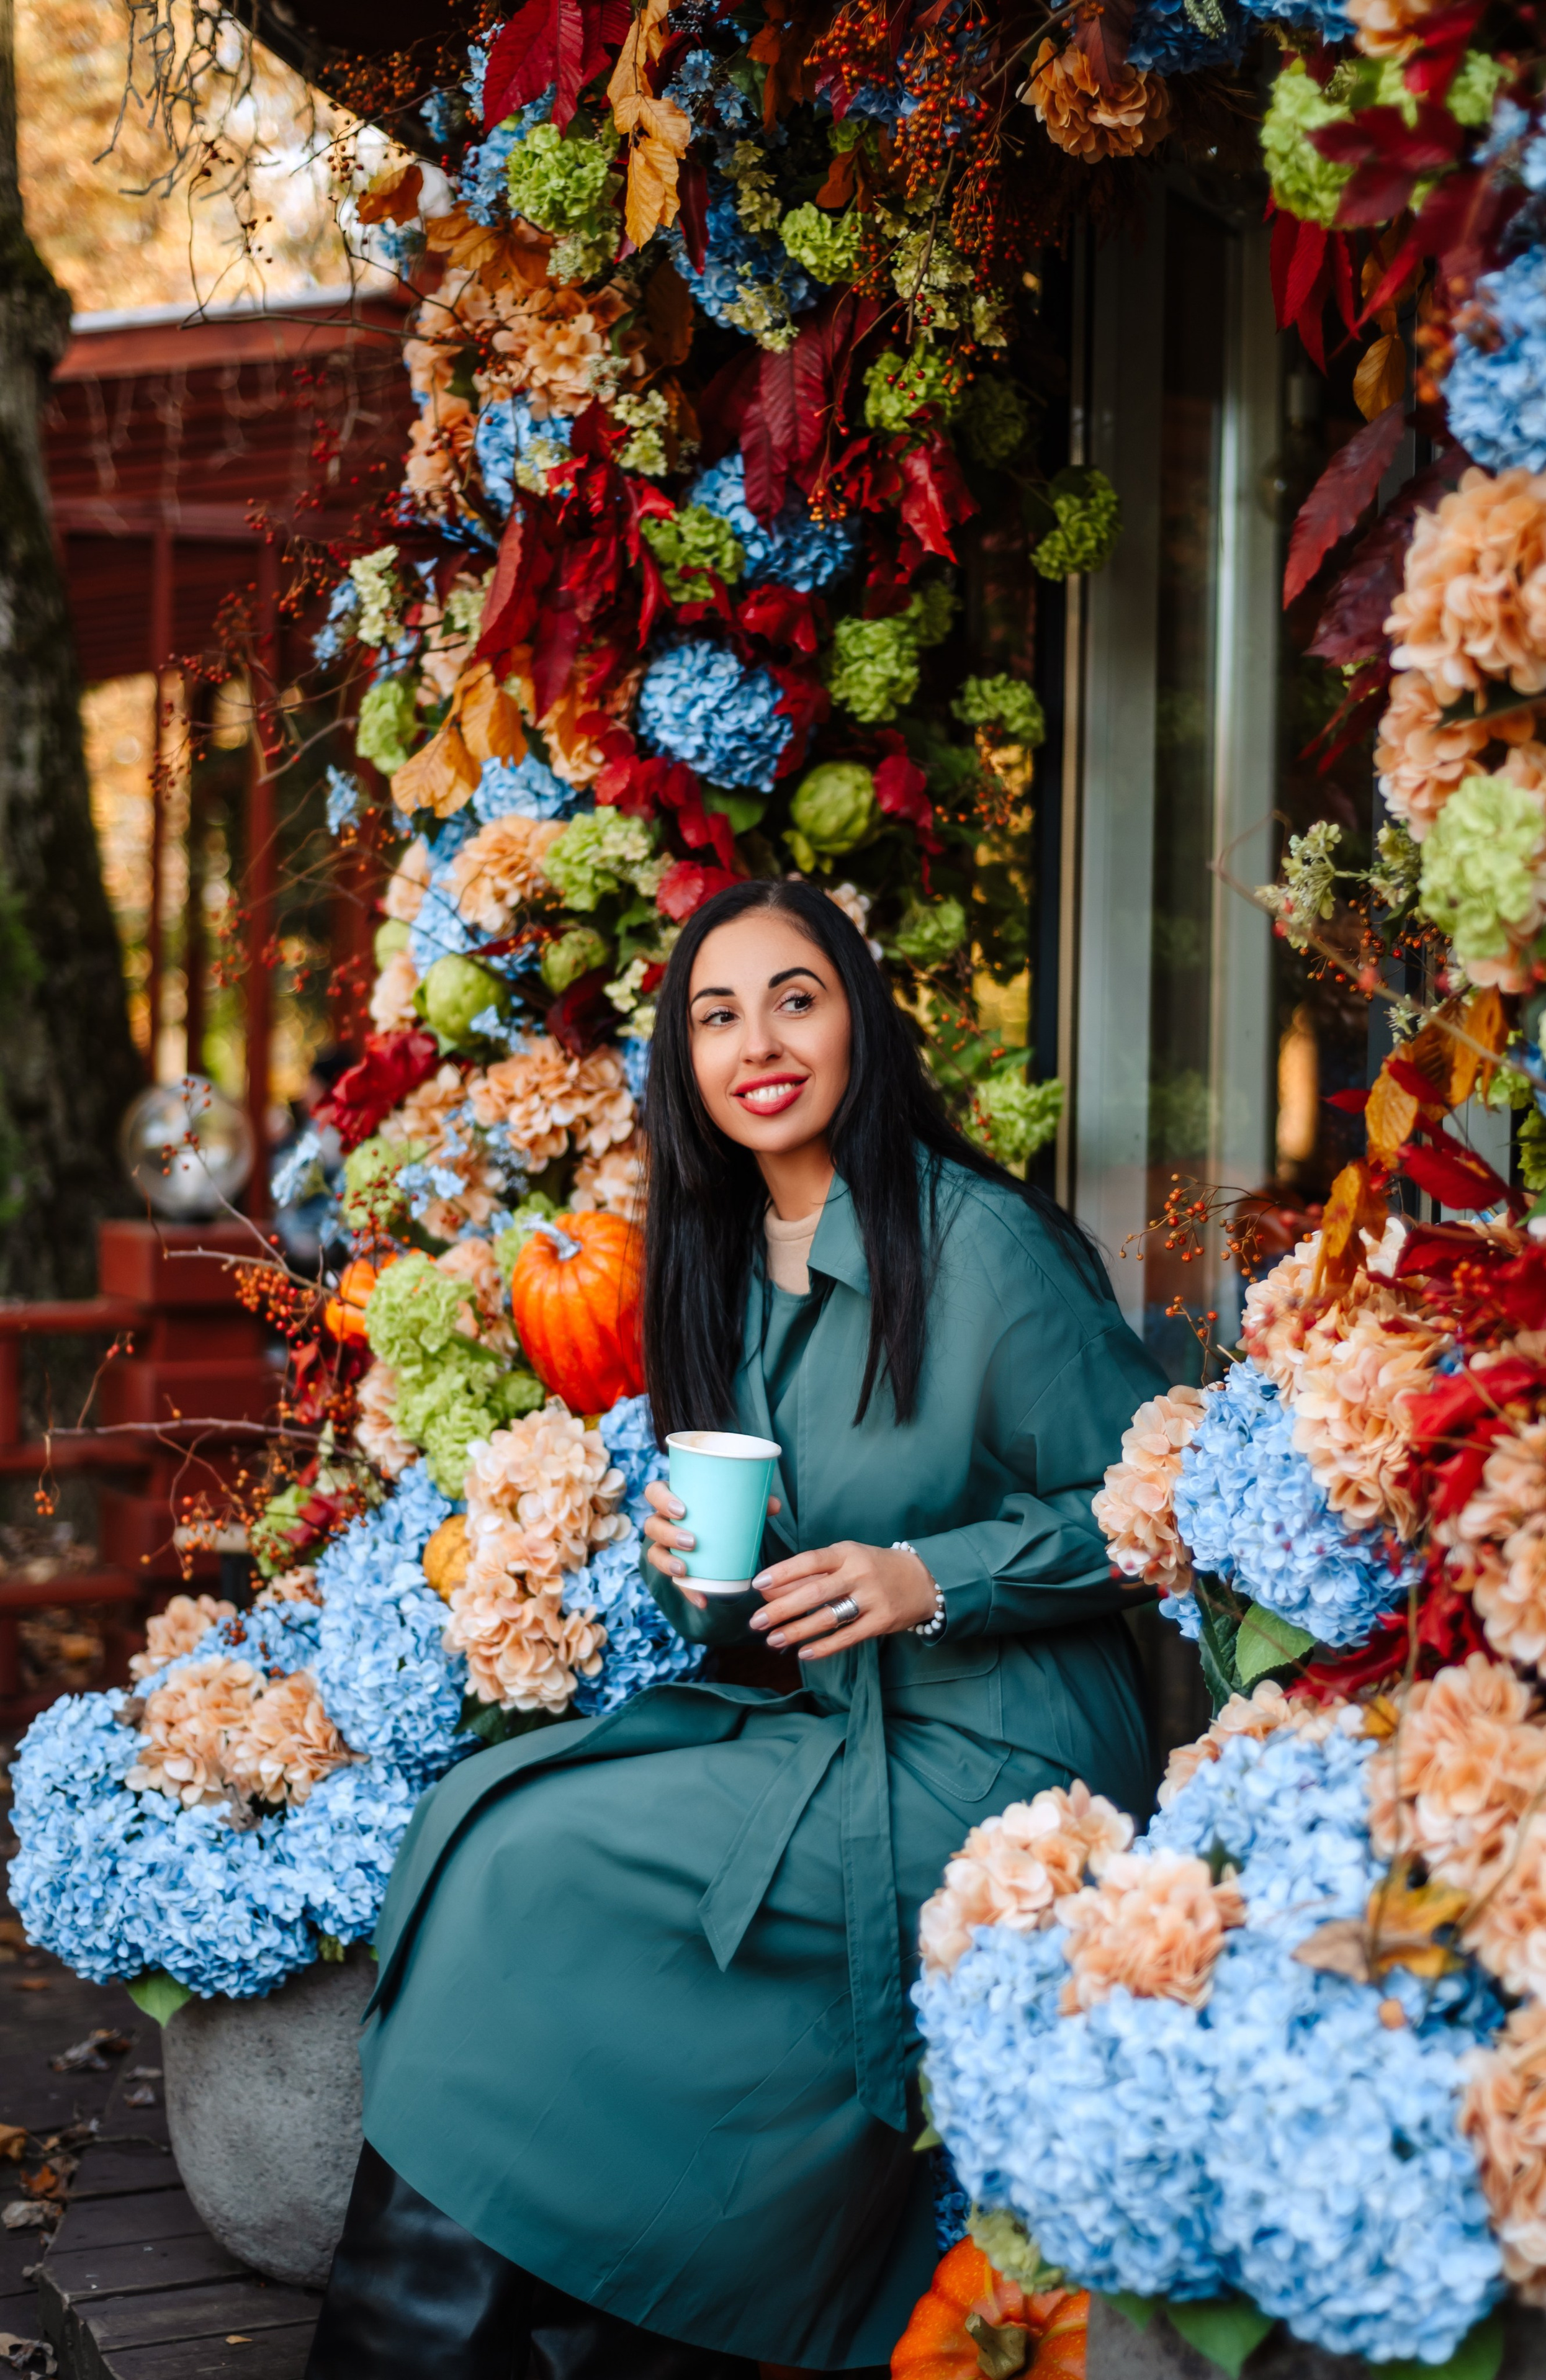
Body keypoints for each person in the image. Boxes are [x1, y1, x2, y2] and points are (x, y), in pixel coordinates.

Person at [305, 878, 1166, 2380]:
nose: (758, 1041)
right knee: (483, 1818)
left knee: (534, 1861)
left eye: (795, 998)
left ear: (856, 1024)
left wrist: (931, 1572)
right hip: (826, 1725)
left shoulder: (982, 1248)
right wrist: (683, 1575)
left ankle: (426, 2345)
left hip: (1000, 1743)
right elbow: (761, 1592)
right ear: (684, 1065)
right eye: (716, 1014)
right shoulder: (717, 1263)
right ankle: (498, 2327)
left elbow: (1146, 1512)